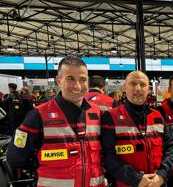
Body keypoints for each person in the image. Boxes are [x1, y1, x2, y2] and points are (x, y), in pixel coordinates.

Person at [7, 56, 105, 186]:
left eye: (83, 79)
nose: (77, 86)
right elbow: (15, 157)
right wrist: (42, 167)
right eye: (70, 79)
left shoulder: (97, 113)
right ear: (59, 81)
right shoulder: (38, 115)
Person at [101, 71, 173, 187]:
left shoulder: (158, 116)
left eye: (142, 85)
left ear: (149, 89)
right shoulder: (111, 117)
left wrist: (162, 175)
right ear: (125, 88)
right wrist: (136, 179)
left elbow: (172, 146)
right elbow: (108, 155)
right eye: (133, 84)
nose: (138, 89)